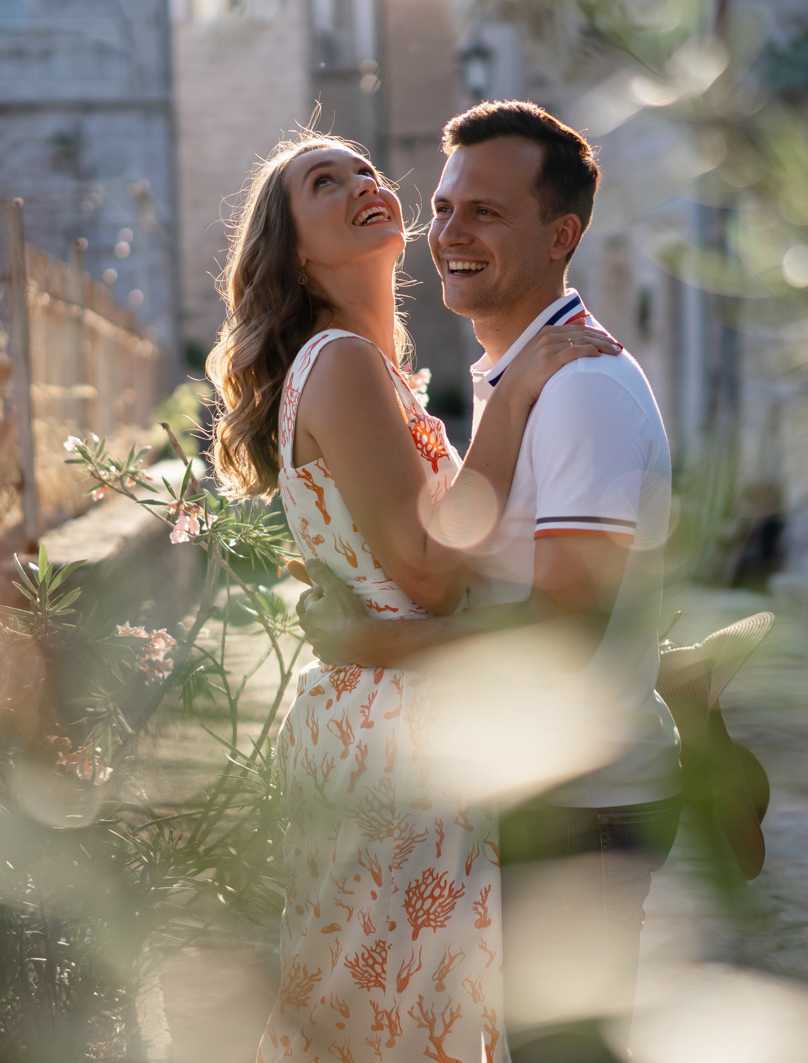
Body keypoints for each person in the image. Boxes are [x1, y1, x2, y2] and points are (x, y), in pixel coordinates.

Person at [204, 133, 618, 1063]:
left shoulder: (368, 367)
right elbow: (429, 569)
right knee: (397, 1018)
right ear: (295, 253)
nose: (362, 183)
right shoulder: (341, 361)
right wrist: (515, 394)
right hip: (391, 737)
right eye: (325, 183)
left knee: (389, 1013)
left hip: (389, 717)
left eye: (363, 170)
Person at [300, 101, 682, 1063]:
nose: (451, 232)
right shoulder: (517, 377)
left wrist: (378, 646)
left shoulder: (580, 388)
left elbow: (565, 630)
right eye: (443, 207)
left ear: (561, 236)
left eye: (487, 212)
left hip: (581, 804)